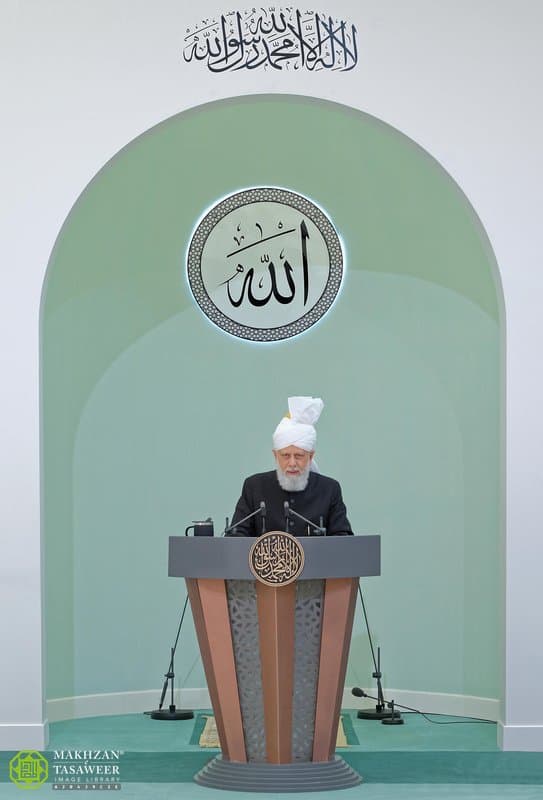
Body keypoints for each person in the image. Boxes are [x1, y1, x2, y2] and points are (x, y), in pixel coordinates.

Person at [228, 397, 353, 537]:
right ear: (275, 455)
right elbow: (236, 536)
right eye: (286, 456)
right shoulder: (254, 487)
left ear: (310, 456)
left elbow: (343, 539)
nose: (292, 463)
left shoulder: (329, 490)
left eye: (299, 456)